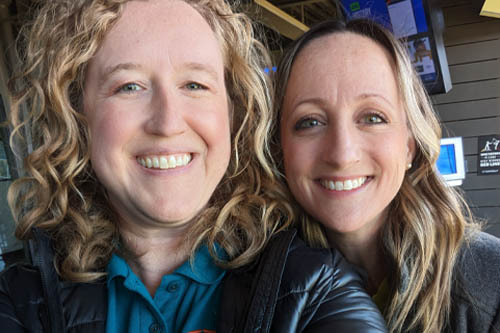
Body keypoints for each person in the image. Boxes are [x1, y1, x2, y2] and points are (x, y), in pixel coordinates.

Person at [0, 1, 387, 332]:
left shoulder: (316, 291)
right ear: (76, 113)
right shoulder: (20, 297)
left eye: (195, 85)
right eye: (129, 86)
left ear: (234, 113)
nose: (168, 122)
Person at [274, 19, 500, 332]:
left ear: (409, 146)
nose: (342, 154)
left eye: (372, 118)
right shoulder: (256, 283)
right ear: (278, 147)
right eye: (310, 122)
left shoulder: (492, 288)